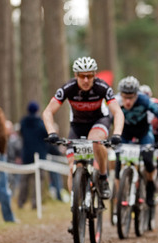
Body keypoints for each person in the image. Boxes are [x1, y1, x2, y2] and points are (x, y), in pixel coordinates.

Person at [42, 57, 124, 231]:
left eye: (89, 76)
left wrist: (116, 133)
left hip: (99, 121)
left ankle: (102, 177)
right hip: (77, 127)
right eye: (82, 76)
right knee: (73, 167)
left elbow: (117, 112)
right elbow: (48, 111)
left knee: (95, 142)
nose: (86, 80)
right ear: (75, 75)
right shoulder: (68, 88)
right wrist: (52, 132)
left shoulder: (102, 87)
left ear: (94, 75)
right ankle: (76, 208)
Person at [114, 76, 158, 223]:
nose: (127, 102)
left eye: (131, 98)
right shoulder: (115, 101)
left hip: (144, 134)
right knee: (118, 164)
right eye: (125, 97)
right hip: (124, 134)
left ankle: (150, 186)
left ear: (137, 95)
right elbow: (105, 118)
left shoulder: (144, 100)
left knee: (148, 161)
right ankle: (119, 198)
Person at [18, 101, 48, 210]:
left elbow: (21, 133)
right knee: (38, 181)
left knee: (24, 180)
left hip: (26, 155)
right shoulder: (40, 123)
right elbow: (47, 135)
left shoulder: (23, 122)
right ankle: (35, 203)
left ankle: (21, 202)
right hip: (39, 156)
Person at [0, 91, 17, 222]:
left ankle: (9, 217)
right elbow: (0, 137)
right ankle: (9, 218)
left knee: (4, 187)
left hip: (1, 154)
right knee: (3, 188)